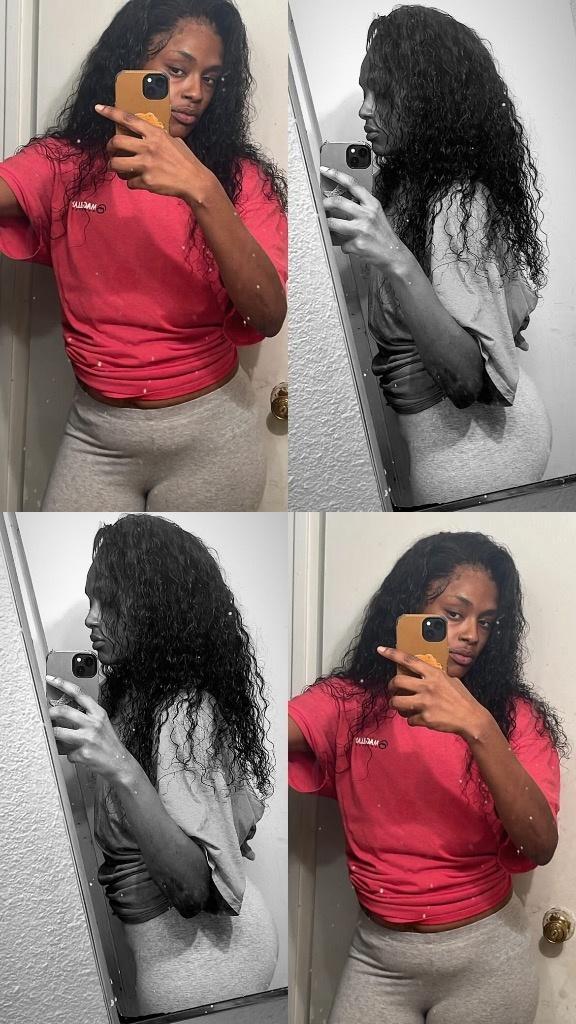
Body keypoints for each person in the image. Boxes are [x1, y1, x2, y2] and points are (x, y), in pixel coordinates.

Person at [0, 0, 287, 511]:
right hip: (96, 435)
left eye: (211, 78)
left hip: (211, 436)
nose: (196, 92)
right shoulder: (64, 166)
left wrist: (202, 189)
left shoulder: (237, 181)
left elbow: (267, 315)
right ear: (128, 65)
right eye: (176, 70)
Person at [289, 531, 568, 1024]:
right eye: (454, 614)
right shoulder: (348, 704)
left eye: (487, 622)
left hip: (484, 962)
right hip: (378, 959)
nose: (471, 635)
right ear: (409, 611)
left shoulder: (512, 717)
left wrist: (478, 727)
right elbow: (251, 735)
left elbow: (540, 844)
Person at [47, 514, 278, 1015]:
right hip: (173, 955)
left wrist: (121, 767)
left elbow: (192, 890)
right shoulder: (135, 698)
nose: (91, 618)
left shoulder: (183, 710)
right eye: (89, 601)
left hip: (204, 966)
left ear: (153, 606)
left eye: (107, 602)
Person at [320, 5, 551, 505]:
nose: (365, 110)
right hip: (447, 443)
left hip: (479, 454)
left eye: (381, 93)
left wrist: (395, 258)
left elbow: (466, 381)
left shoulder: (455, 200)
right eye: (364, 92)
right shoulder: (410, 190)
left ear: (426, 99)